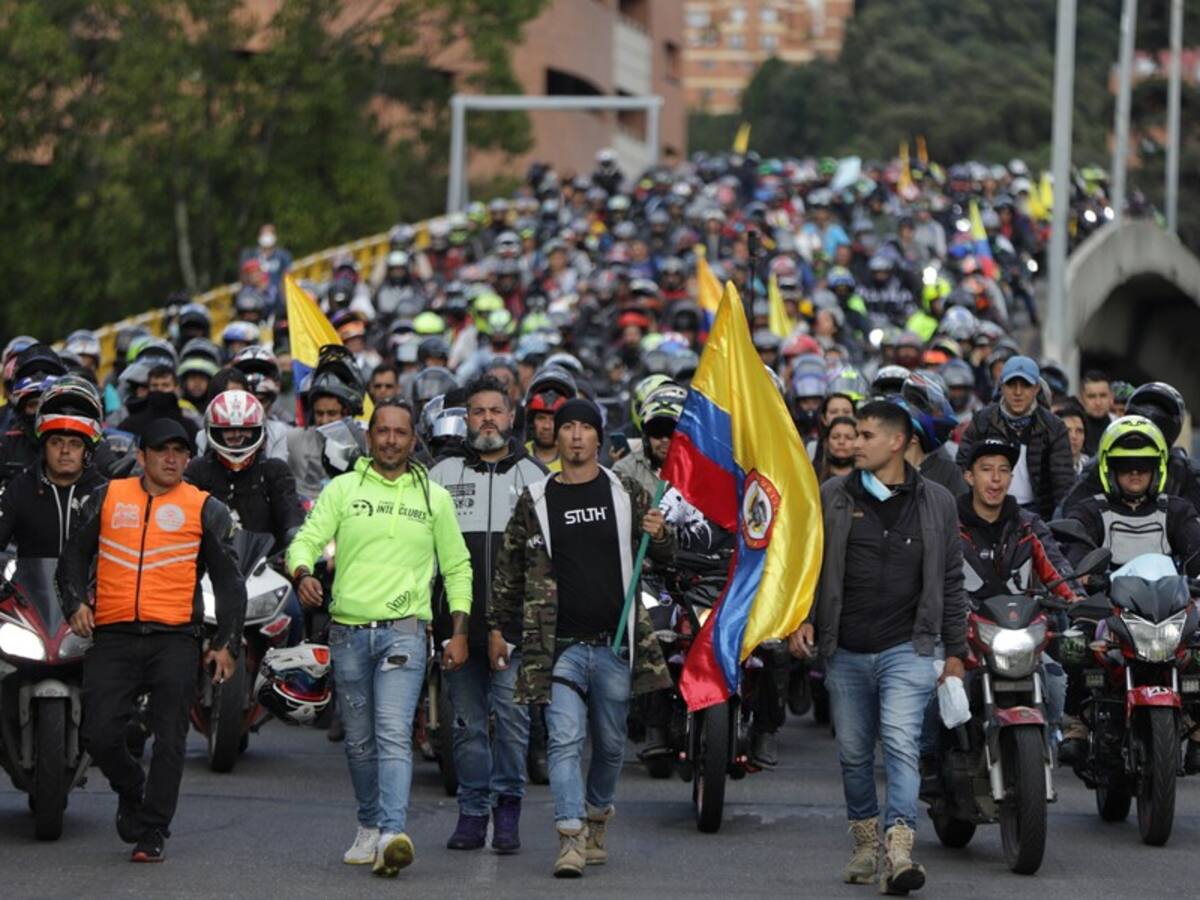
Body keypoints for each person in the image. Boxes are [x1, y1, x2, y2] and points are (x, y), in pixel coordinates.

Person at [286, 400, 473, 877]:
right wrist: (302, 572)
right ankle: (368, 825)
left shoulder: (435, 498)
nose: (391, 440)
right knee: (360, 743)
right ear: (370, 438)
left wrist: (458, 630)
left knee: (392, 734)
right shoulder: (343, 489)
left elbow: (457, 567)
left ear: (414, 440)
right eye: (383, 432)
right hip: (348, 633)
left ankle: (391, 832)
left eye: (400, 433)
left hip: (405, 635)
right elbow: (306, 540)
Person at [489, 398, 673, 878]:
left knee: (610, 746)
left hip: (615, 645)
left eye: (584, 428)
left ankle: (596, 818)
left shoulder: (626, 492)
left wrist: (661, 532)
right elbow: (509, 569)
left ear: (599, 438)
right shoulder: (536, 498)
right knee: (565, 741)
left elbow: (665, 553)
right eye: (566, 427)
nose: (574, 436)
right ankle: (569, 836)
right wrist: (496, 630)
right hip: (560, 648)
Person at [788, 400, 966, 895]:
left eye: (865, 435)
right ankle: (865, 844)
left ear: (897, 442)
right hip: (843, 650)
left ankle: (899, 850)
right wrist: (801, 618)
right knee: (853, 754)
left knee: (902, 744)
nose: (853, 443)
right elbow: (808, 565)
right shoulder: (832, 496)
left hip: (908, 649)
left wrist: (954, 652)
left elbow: (951, 580)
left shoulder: (938, 503)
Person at [56, 419, 246, 862]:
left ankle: (153, 829)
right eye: (163, 451)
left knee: (171, 738)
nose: (173, 459)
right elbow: (71, 559)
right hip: (114, 633)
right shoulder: (107, 497)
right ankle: (132, 787)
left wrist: (227, 643)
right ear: (142, 456)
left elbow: (230, 582)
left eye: (181, 451)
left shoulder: (205, 508)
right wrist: (75, 605)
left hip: (176, 637)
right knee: (98, 735)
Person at [428, 376, 546, 853]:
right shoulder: (439, 476)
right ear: (466, 419)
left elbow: (543, 562)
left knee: (514, 725)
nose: (487, 420)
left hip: (514, 632)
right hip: (456, 628)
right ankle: (473, 813)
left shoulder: (536, 477)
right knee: (467, 726)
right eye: (478, 412)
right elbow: (426, 555)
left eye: (495, 411)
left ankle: (509, 811)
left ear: (510, 417)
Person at [1059, 416, 1200, 768]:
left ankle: (1197, 727)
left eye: (1143, 466)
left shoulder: (1176, 511)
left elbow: (1197, 548)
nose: (1135, 474)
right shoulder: (1092, 510)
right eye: (1126, 466)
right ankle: (1075, 723)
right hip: (1111, 608)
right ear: (1110, 469)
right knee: (1077, 637)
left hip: (1168, 608)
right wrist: (1085, 575)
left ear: (1158, 469)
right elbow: (1074, 548)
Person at [955, 356, 1073, 521]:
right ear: (1001, 386)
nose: (1018, 392)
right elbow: (962, 469)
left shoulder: (1054, 427)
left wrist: (1058, 526)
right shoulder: (982, 420)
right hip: (985, 512)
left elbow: (1063, 485)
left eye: (1025, 385)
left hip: (1038, 517)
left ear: (1037, 388)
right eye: (1011, 384)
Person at [0, 378, 107, 556]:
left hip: (92, 584)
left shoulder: (105, 493)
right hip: (28, 584)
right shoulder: (19, 489)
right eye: (56, 442)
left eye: (74, 444)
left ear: (87, 450)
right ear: (44, 447)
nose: (65, 450)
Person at [1079, 370, 1114, 457]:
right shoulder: (1073, 431)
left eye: (1103, 395)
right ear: (1081, 399)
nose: (1098, 402)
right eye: (1091, 396)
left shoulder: (1121, 426)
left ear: (1111, 398)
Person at [1056, 401, 1089, 476]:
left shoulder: (1092, 468)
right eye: (1067, 431)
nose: (1074, 436)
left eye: (1079, 431)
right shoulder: (1043, 466)